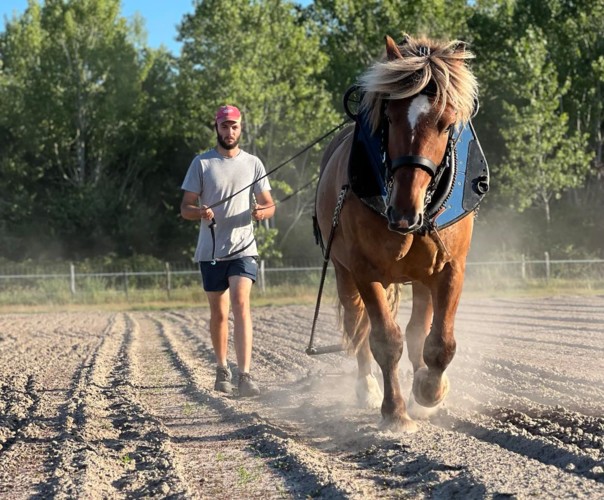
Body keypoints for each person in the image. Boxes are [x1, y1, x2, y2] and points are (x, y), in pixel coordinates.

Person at [180, 104, 275, 397]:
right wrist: (200, 212)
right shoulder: (202, 163)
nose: (229, 131)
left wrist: (262, 212)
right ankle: (222, 368)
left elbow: (270, 204)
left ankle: (244, 374)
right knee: (219, 313)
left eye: (234, 126)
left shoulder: (253, 163)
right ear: (216, 127)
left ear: (240, 128)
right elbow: (185, 208)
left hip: (244, 248)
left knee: (240, 303)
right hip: (210, 251)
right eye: (224, 126)